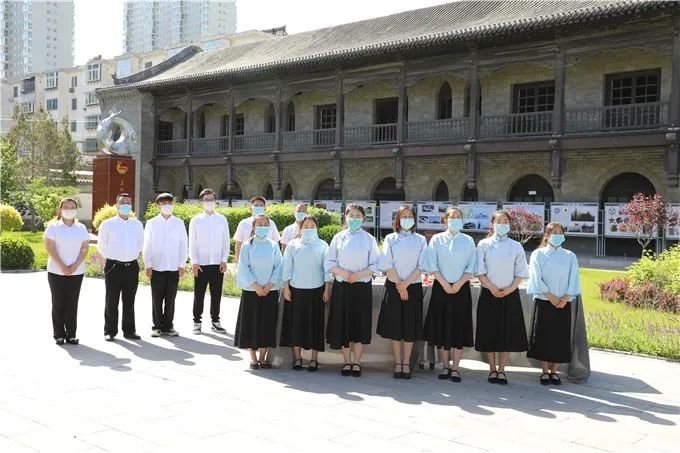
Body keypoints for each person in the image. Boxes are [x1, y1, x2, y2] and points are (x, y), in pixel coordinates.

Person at [475, 210, 530, 385]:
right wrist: (492, 288)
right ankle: (492, 369)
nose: (502, 224)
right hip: (489, 294)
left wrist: (509, 290)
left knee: (506, 334)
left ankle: (502, 370)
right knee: (489, 332)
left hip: (509, 294)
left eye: (505, 221)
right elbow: (480, 271)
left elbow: (520, 272)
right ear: (492, 224)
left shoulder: (516, 246)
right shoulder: (483, 244)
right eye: (499, 221)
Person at [324, 203, 379, 377]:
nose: (354, 219)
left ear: (363, 218)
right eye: (351, 215)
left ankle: (357, 363)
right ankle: (347, 362)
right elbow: (329, 263)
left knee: (359, 325)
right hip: (342, 287)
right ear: (345, 218)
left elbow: (376, 264)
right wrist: (345, 273)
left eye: (358, 216)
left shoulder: (369, 239)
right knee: (343, 325)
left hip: (361, 288)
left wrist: (359, 275)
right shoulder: (338, 238)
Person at [423, 207, 476, 382]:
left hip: (462, 289)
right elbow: (432, 264)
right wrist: (445, 283)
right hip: (441, 288)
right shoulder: (437, 239)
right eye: (451, 217)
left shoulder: (468, 241)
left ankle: (456, 367)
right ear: (445, 220)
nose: (455, 219)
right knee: (442, 327)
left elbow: (471, 267)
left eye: (458, 217)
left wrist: (458, 284)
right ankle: (445, 366)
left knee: (459, 328)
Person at [527, 222, 581, 385]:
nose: (557, 235)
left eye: (560, 232)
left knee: (560, 337)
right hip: (545, 300)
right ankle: (544, 370)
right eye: (554, 232)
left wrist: (564, 298)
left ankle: (554, 371)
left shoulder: (570, 256)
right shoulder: (538, 254)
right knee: (544, 335)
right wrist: (550, 296)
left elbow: (574, 278)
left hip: (563, 303)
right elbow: (536, 277)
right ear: (547, 235)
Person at [377, 204, 426, 380]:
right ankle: (398, 362)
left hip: (413, 286)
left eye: (409, 216)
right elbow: (386, 264)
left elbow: (422, 265)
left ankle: (406, 362)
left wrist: (406, 284)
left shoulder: (420, 240)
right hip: (394, 286)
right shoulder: (390, 238)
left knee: (409, 328)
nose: (406, 219)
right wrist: (400, 284)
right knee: (396, 327)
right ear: (397, 219)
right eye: (403, 216)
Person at [280, 216, 332, 371]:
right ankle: (297, 358)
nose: (309, 229)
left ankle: (314, 359)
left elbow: (327, 269)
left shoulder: (323, 245)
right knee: (296, 324)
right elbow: (287, 267)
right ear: (301, 228)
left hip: (317, 290)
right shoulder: (293, 245)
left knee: (316, 325)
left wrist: (327, 288)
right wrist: (286, 287)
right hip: (296, 290)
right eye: (306, 226)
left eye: (312, 226)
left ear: (317, 228)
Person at [234, 215, 283, 369]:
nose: (262, 226)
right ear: (253, 227)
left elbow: (279, 267)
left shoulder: (274, 245)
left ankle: (263, 357)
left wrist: (268, 286)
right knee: (251, 323)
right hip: (251, 291)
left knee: (267, 324)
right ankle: (253, 358)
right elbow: (243, 267)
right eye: (259, 224)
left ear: (269, 227)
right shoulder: (247, 246)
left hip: (270, 291)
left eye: (265, 224)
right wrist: (256, 286)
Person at [43, 197, 91, 345]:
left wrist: (75, 265)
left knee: (72, 303)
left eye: (72, 207)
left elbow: (84, 249)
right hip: (56, 271)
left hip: (77, 272)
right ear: (60, 209)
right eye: (66, 207)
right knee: (58, 303)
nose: (69, 209)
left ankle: (71, 334)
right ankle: (58, 334)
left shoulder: (81, 228)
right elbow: (49, 248)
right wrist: (63, 266)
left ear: (76, 210)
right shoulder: (53, 227)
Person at [97, 193, 144, 341]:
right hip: (113, 266)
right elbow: (102, 245)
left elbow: (140, 244)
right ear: (116, 205)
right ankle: (110, 331)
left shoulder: (137, 224)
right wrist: (112, 257)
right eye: (122, 203)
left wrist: (130, 255)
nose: (126, 205)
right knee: (112, 300)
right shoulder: (108, 224)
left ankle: (129, 331)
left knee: (129, 301)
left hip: (131, 267)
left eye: (128, 203)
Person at [143, 193, 188, 337]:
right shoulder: (152, 223)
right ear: (158, 206)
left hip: (174, 267)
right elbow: (147, 245)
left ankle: (168, 326)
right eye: (163, 203)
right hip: (157, 267)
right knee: (156, 298)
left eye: (169, 202)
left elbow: (183, 244)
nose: (167, 206)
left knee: (171, 298)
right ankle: (157, 326)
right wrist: (147, 264)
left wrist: (182, 264)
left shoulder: (179, 223)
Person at [189, 188, 230, 335]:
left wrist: (224, 260)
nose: (209, 202)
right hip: (201, 264)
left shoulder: (222, 219)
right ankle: (197, 322)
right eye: (206, 200)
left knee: (216, 293)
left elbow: (226, 241)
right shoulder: (196, 220)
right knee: (199, 293)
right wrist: (194, 262)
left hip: (217, 263)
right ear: (201, 202)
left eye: (211, 199)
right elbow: (192, 243)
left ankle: (215, 321)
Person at [233, 196, 280, 265]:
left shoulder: (271, 223)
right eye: (256, 205)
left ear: (265, 208)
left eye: (261, 205)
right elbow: (238, 243)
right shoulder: (243, 223)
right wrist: (238, 260)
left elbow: (276, 241)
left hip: (267, 260)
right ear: (250, 208)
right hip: (247, 260)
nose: (258, 207)